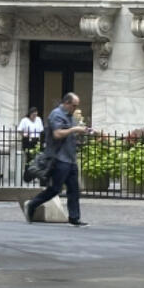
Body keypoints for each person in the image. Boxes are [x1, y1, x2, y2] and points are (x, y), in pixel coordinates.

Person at [25, 93, 89, 227]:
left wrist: (82, 131)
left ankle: (74, 217)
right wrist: (74, 129)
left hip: (70, 158)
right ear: (66, 103)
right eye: (74, 105)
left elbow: (70, 133)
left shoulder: (70, 116)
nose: (75, 108)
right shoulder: (57, 114)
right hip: (59, 158)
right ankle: (32, 204)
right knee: (55, 189)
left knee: (73, 189)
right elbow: (57, 133)